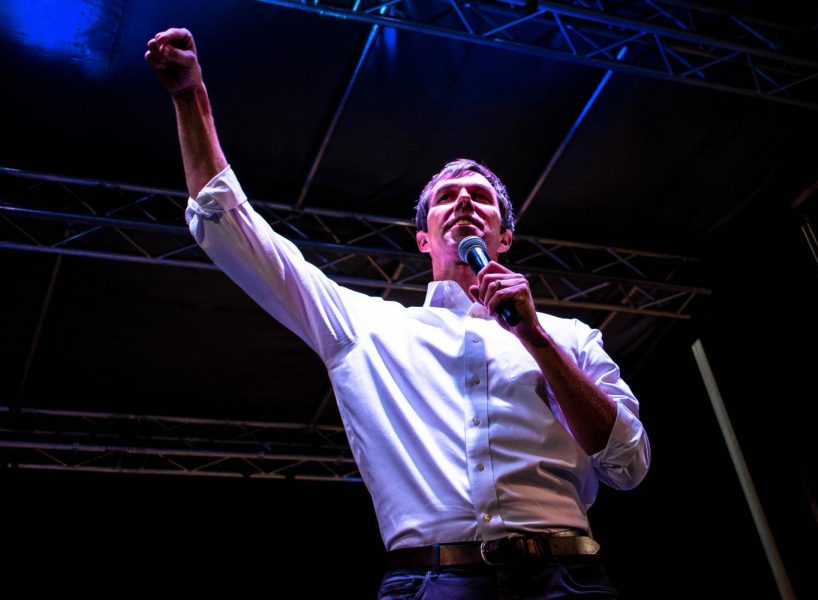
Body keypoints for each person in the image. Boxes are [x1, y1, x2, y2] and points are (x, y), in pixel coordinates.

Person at [145, 27, 650, 599]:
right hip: (432, 582)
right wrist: (190, 96)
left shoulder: (571, 337)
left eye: (480, 196)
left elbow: (627, 464)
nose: (463, 199)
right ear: (422, 238)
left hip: (567, 578)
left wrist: (533, 337)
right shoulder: (367, 328)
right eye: (446, 196)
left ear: (504, 237)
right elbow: (231, 230)